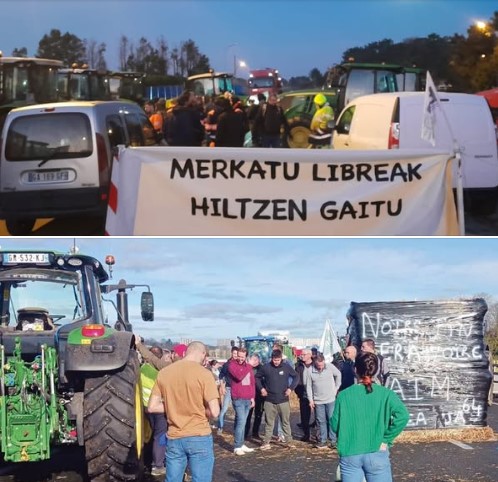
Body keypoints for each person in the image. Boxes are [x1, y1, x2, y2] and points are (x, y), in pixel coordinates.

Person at [330, 352, 409, 482]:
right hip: (376, 450)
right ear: (376, 370)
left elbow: (334, 424)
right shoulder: (386, 394)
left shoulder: (343, 396)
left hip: (350, 452)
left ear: (355, 370)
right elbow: (403, 416)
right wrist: (386, 439)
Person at [148, 341, 220, 482]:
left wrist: (174, 405)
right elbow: (215, 412)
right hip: (199, 435)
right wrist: (198, 408)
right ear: (202, 353)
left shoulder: (164, 373)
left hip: (175, 437)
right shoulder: (204, 374)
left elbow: (152, 407)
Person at [256, 349, 298, 450]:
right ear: (272, 358)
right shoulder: (266, 367)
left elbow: (296, 376)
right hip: (269, 400)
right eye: (274, 360)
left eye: (278, 360)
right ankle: (266, 442)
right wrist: (261, 388)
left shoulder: (286, 367)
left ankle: (289, 442)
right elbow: (256, 378)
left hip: (283, 400)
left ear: (281, 359)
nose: (276, 362)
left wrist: (290, 388)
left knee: (285, 422)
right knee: (269, 423)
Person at [305, 354, 341, 449]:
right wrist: (310, 400)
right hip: (318, 400)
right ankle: (323, 440)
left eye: (322, 365)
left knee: (331, 419)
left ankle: (333, 440)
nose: (320, 367)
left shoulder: (330, 367)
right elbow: (308, 386)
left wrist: (336, 388)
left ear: (324, 361)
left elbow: (338, 375)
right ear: (315, 363)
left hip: (330, 399)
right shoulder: (310, 370)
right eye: (318, 365)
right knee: (321, 421)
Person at [227, 346, 256, 455]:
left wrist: (253, 398)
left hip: (248, 398)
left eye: (242, 357)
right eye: (239, 356)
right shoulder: (232, 365)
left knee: (243, 422)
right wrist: (249, 366)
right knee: (241, 421)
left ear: (245, 356)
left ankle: (241, 443)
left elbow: (252, 383)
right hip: (238, 398)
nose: (240, 358)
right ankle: (237, 446)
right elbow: (239, 376)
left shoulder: (248, 367)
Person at [217, 346, 238, 435]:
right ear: (231, 353)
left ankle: (236, 428)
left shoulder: (240, 363)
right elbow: (221, 376)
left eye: (237, 354)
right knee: (224, 409)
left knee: (237, 409)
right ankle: (220, 427)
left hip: (237, 390)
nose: (236, 356)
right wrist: (222, 387)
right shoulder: (227, 364)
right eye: (234, 353)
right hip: (229, 388)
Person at [294, 348, 314, 442]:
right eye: (301, 354)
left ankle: (319, 435)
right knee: (304, 416)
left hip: (315, 394)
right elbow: (295, 379)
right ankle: (306, 435)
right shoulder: (298, 366)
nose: (302, 356)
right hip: (303, 394)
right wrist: (298, 391)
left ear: (310, 355)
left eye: (304, 354)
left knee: (319, 416)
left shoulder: (315, 365)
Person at [244, 353, 265, 440]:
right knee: (248, 414)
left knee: (258, 415)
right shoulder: (247, 368)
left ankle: (255, 432)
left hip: (259, 395)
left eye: (257, 360)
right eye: (253, 360)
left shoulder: (263, 368)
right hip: (249, 395)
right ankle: (245, 432)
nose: (255, 361)